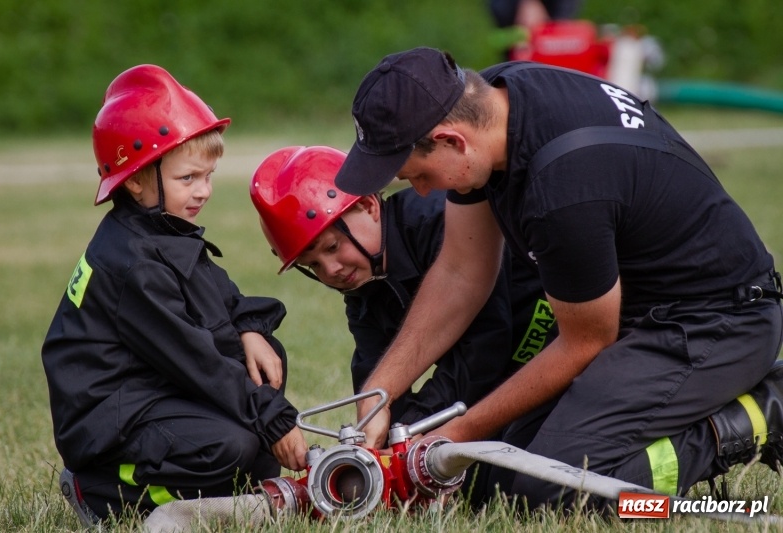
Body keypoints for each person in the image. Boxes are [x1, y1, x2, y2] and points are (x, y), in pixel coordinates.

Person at [332, 46, 783, 510]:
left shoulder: (563, 191)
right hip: (638, 311)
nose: (422, 191)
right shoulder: (496, 98)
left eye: (418, 175)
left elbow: (585, 341)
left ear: (452, 140)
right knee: (499, 474)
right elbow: (461, 273)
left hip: (716, 323)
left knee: (553, 490)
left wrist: (446, 442)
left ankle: (751, 418)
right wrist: (379, 395)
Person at [41, 64, 308, 526]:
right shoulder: (133, 265)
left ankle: (228, 480)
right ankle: (102, 491)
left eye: (208, 175)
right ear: (136, 180)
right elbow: (197, 360)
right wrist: (274, 421)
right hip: (112, 421)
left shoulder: (161, 230)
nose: (204, 191)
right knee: (231, 446)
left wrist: (250, 328)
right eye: (189, 178)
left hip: (153, 389)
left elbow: (219, 298)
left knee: (259, 373)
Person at [250, 145, 556, 430]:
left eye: (332, 247)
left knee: (519, 480)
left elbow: (484, 347)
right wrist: (377, 435)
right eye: (313, 264)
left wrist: (413, 427)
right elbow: (374, 367)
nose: (331, 270)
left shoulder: (439, 223)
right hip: (500, 378)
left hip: (550, 344)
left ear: (369, 205)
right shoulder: (365, 284)